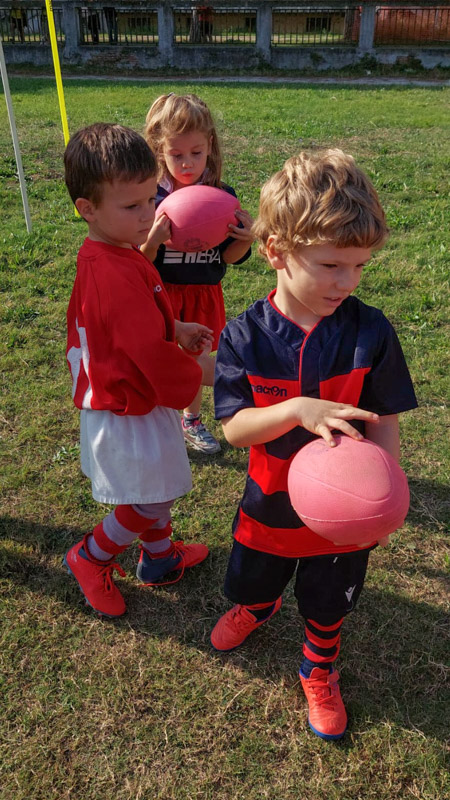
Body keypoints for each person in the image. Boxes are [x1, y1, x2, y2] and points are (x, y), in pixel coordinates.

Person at [211, 149, 417, 741]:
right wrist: (297, 409)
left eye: (359, 266)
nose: (347, 282)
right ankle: (257, 608)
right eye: (331, 265)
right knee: (253, 581)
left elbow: (384, 421)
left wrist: (387, 495)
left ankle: (318, 665)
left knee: (328, 601)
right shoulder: (244, 336)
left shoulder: (369, 331)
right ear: (275, 251)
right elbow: (233, 428)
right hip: (269, 501)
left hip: (343, 516)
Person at [63, 123, 215, 618]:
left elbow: (140, 322)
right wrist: (205, 373)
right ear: (87, 208)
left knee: (158, 486)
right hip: (125, 404)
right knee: (149, 499)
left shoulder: (117, 250)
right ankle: (91, 557)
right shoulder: (110, 271)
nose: (148, 215)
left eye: (152, 199)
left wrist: (176, 323)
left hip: (135, 397)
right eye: (132, 207)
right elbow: (146, 353)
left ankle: (159, 558)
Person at [141, 93, 254, 455]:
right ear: (160, 151)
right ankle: (156, 418)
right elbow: (138, 262)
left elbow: (233, 258)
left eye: (196, 152)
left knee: (193, 359)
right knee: (157, 358)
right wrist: (154, 241)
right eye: (176, 155)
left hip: (203, 293)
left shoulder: (221, 196)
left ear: (210, 147)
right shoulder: (148, 199)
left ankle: (191, 420)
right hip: (161, 293)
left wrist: (245, 237)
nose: (187, 163)